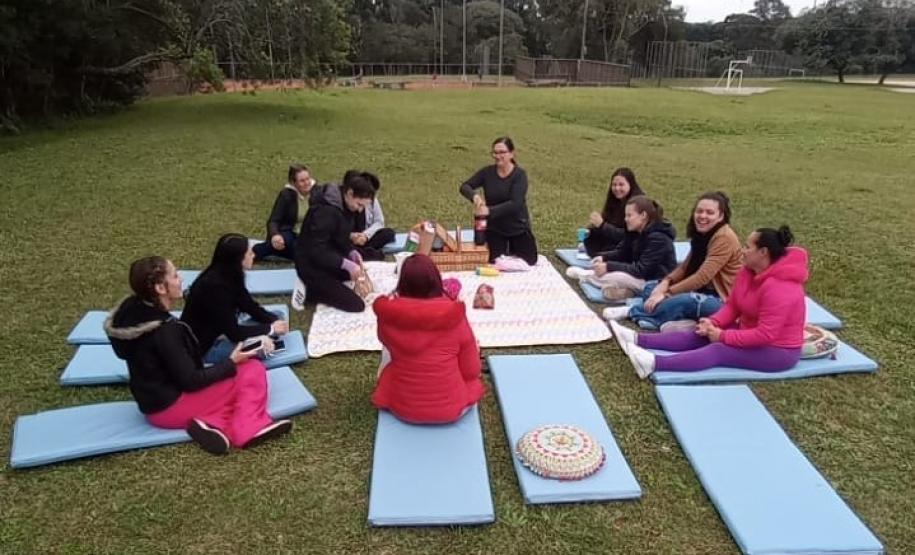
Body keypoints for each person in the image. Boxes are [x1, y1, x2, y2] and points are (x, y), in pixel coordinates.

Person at [105, 256, 292, 455]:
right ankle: (247, 429)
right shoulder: (166, 332)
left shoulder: (131, 313)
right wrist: (231, 362)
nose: (180, 279)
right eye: (175, 276)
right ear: (160, 288)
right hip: (173, 409)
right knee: (252, 370)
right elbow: (191, 381)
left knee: (228, 381)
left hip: (151, 409)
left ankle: (208, 423)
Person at [611, 226, 807, 379]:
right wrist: (713, 322)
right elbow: (733, 306)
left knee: (719, 350)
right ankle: (637, 339)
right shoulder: (747, 272)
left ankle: (654, 363)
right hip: (749, 333)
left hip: (778, 351)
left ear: (763, 252)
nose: (743, 251)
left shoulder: (781, 288)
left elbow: (766, 334)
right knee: (702, 332)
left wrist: (723, 336)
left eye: (748, 247)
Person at [602, 191, 742, 331]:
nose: (703, 216)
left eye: (710, 213)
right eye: (699, 211)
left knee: (688, 301)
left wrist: (667, 293)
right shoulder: (702, 235)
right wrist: (665, 282)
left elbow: (702, 277)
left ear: (721, 216)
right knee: (651, 287)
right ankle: (670, 314)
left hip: (721, 301)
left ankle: (633, 311)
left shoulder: (724, 238)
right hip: (697, 290)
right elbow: (684, 268)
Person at [371, 254, 485, 423]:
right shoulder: (454, 314)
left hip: (401, 408)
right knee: (468, 354)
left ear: (402, 283)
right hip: (452, 409)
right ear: (436, 280)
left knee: (388, 351)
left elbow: (386, 343)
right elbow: (472, 370)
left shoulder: (388, 315)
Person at [181, 233, 289, 364]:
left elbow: (249, 305)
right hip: (207, 347)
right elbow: (234, 333)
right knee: (263, 346)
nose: (253, 255)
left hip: (223, 331)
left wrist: (274, 321)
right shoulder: (215, 288)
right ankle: (259, 341)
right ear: (238, 259)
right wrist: (270, 329)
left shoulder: (231, 275)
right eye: (249, 253)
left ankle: (262, 336)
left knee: (278, 316)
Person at [568, 195, 676, 301]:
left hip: (653, 281)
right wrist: (603, 258)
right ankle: (625, 291)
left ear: (643, 215)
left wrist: (608, 266)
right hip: (639, 275)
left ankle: (587, 276)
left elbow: (641, 270)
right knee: (610, 273)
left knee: (613, 276)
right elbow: (622, 253)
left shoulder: (658, 238)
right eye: (625, 216)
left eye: (629, 216)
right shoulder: (635, 231)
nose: (626, 219)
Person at [294, 174, 376, 312]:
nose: (360, 210)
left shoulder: (345, 205)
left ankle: (326, 284)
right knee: (356, 305)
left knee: (354, 275)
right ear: (349, 193)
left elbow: (339, 237)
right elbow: (316, 250)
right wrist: (345, 263)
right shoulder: (325, 211)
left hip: (327, 257)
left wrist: (350, 251)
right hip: (311, 265)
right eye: (359, 204)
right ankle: (310, 292)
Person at [460, 136, 539, 266]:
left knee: (530, 261)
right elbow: (464, 187)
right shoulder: (487, 172)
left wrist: (489, 210)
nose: (498, 156)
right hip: (495, 228)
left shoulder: (519, 175)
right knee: (493, 262)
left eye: (502, 152)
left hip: (517, 227)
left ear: (511, 154)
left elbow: (516, 203)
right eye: (495, 152)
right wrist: (475, 197)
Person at [252, 164, 315, 262]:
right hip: (289, 233)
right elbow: (273, 220)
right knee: (286, 243)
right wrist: (275, 235)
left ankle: (276, 251)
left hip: (309, 235)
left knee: (307, 254)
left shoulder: (318, 193)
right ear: (293, 183)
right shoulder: (286, 195)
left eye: (308, 179)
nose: (307, 183)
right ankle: (254, 252)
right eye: (302, 181)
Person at [583, 167, 645, 257]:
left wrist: (602, 225)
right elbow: (607, 224)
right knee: (591, 237)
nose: (617, 188)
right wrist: (591, 230)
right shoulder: (614, 201)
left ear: (630, 185)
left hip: (633, 245)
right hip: (615, 242)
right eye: (614, 185)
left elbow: (628, 236)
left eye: (621, 185)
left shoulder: (638, 204)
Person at [346, 170, 396, 261]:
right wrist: (352, 236)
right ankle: (366, 253)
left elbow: (379, 222)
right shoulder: (346, 205)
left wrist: (365, 235)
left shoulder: (371, 200)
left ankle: (364, 251)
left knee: (388, 233)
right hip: (349, 240)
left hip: (364, 239)